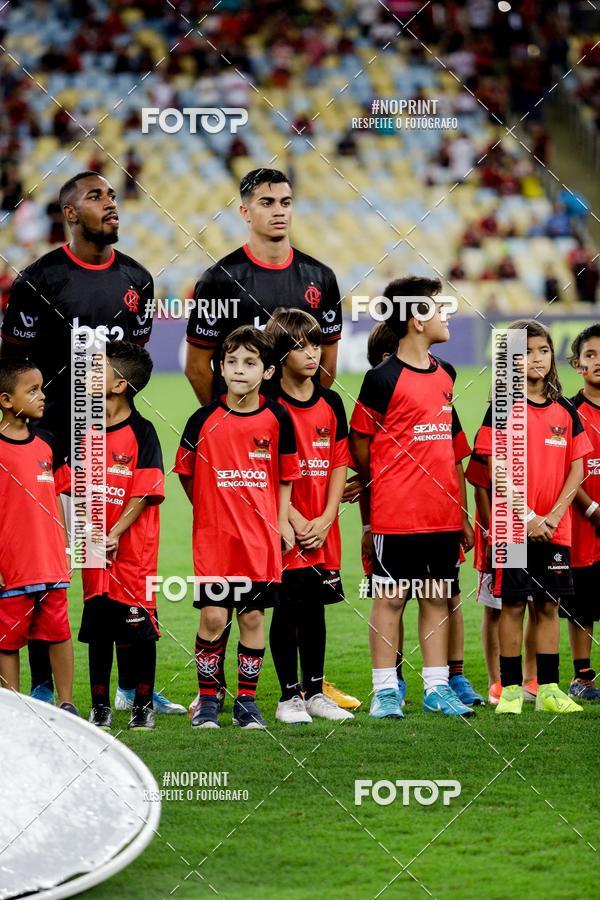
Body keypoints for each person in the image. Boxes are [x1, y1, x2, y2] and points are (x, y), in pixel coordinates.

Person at [0, 170, 183, 715]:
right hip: (50, 443)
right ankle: (39, 689)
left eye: (112, 195)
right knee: (45, 564)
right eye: (96, 196)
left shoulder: (139, 280)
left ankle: (132, 687)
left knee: (127, 559)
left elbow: (135, 363)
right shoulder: (39, 279)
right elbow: (14, 364)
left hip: (116, 443)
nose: (111, 204)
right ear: (71, 214)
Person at [184, 167, 353, 711]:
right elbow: (196, 367)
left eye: (285, 200)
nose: (279, 210)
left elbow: (325, 368)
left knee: (301, 583)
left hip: (305, 449)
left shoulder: (320, 278)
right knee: (239, 591)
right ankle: (224, 696)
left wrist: (304, 418)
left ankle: (304, 687)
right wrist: (234, 426)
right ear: (245, 211)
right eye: (266, 202)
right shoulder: (219, 279)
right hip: (246, 449)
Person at [350, 276, 475, 719]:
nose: (446, 314)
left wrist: (461, 513)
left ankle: (436, 688)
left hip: (441, 514)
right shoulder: (380, 379)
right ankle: (385, 691)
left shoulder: (447, 375)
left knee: (437, 596)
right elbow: (361, 445)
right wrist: (383, 486)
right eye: (439, 307)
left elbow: (447, 450)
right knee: (390, 598)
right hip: (397, 516)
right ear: (417, 319)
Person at [175, 326, 300, 729]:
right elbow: (186, 472)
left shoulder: (278, 417)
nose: (239, 370)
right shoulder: (202, 419)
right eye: (231, 362)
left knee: (251, 619)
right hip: (215, 540)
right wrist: (209, 507)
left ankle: (247, 702)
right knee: (213, 618)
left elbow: (285, 476)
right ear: (221, 369)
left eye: (250, 363)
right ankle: (208, 701)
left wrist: (280, 521)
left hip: (259, 541)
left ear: (267, 372)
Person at [475, 320, 590, 715]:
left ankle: (549, 689)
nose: (536, 358)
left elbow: (578, 467)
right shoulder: (503, 408)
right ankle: (509, 691)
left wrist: (554, 515)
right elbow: (496, 467)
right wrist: (526, 516)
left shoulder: (566, 411)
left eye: (543, 350)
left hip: (556, 529)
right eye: (526, 352)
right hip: (512, 527)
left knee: (548, 605)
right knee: (513, 605)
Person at [265, 308, 354, 723]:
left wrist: (328, 516)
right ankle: (288, 698)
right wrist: (296, 521)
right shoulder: (267, 405)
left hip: (322, 526)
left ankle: (316, 691)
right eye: (300, 346)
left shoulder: (332, 401)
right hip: (285, 527)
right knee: (287, 608)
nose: (312, 354)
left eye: (316, 344)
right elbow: (262, 471)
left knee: (315, 609)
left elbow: (339, 462)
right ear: (280, 354)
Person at [79, 342, 165, 730]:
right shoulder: (86, 430)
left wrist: (115, 532)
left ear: (120, 384)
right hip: (95, 550)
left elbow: (145, 491)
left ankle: (142, 705)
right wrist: (86, 526)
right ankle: (100, 707)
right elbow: (73, 486)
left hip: (133, 555)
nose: (88, 374)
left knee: (138, 631)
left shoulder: (143, 433)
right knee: (98, 630)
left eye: (98, 369)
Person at [0, 359, 76, 713]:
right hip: (12, 565)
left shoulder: (47, 443)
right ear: (6, 400)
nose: (42, 396)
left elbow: (57, 499)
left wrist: (65, 547)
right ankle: (12, 707)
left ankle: (67, 704)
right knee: (8, 640)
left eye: (41, 388)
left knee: (59, 632)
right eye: (32, 390)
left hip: (50, 563)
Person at [466, 439, 538, 704]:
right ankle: (495, 680)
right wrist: (489, 531)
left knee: (536, 602)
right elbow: (480, 485)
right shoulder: (494, 422)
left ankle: (531, 678)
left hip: (538, 527)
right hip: (504, 531)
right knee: (497, 605)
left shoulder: (545, 413)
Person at [561, 325, 600, 700]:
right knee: (582, 606)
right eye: (590, 355)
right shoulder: (570, 412)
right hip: (584, 526)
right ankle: (582, 676)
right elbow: (563, 467)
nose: (599, 361)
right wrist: (591, 508)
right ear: (577, 365)